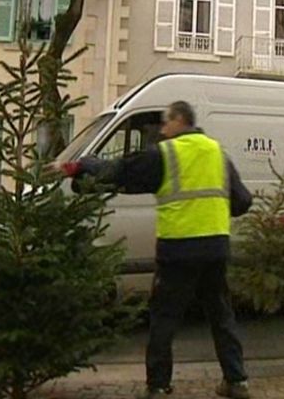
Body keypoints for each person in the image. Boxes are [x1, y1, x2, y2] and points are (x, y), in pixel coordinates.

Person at [60, 101, 252, 399]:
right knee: (221, 315)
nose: (162, 129)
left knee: (164, 319)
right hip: (215, 248)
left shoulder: (165, 153)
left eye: (166, 122)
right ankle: (236, 381)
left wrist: (84, 164)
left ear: (179, 120)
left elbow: (119, 170)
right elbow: (242, 201)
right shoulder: (218, 153)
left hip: (178, 250)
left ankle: (159, 386)